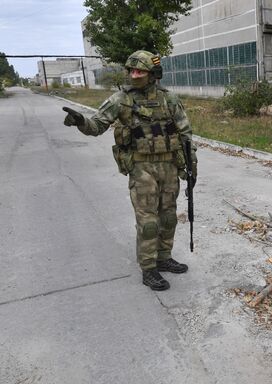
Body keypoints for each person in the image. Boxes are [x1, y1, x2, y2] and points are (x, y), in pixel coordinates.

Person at [62, 50, 197, 291]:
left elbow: (185, 134)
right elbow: (97, 125)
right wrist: (81, 121)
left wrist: (191, 165)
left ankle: (164, 258)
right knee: (148, 222)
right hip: (142, 168)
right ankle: (149, 268)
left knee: (168, 217)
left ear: (153, 74)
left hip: (169, 166)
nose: (134, 75)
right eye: (131, 70)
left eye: (140, 71)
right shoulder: (120, 100)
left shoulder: (169, 99)